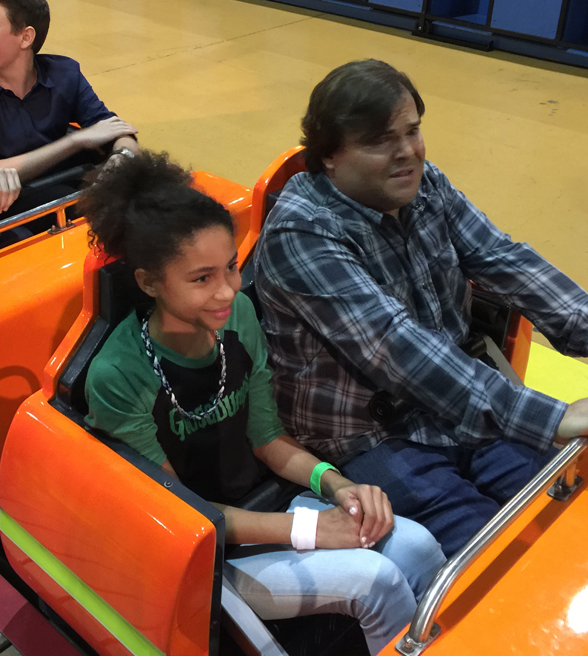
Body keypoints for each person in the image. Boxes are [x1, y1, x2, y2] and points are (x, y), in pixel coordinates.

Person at [252, 59, 588, 558]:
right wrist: (549, 416)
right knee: (501, 561)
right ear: (327, 156)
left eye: (412, 132)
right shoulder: (302, 234)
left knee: (577, 516)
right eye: (380, 141)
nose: (407, 153)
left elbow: (508, 262)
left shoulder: (426, 187)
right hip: (372, 437)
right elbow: (400, 349)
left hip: (458, 405)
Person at [80, 150, 446, 655]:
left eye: (231, 268)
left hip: (264, 508)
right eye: (201, 278)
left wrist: (340, 487)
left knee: (420, 545)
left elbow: (268, 438)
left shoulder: (238, 317)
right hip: (202, 550)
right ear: (148, 282)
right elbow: (181, 514)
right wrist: (311, 529)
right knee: (376, 581)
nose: (228, 290)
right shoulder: (119, 373)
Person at [0, 0, 138, 228]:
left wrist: (121, 157)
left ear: (25, 37)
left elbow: (118, 131)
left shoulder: (64, 74)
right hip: (7, 208)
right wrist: (75, 141)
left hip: (63, 190)